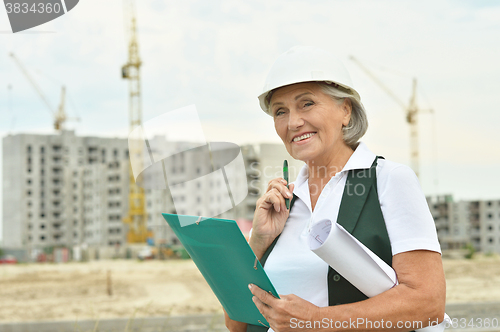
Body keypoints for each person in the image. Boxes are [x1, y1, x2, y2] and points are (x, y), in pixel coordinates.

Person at [224, 46, 446, 332]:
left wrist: (316, 321)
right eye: (280, 111)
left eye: (307, 104)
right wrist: (258, 242)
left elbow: (427, 304)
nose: (293, 122)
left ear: (345, 110)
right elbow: (235, 323)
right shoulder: (282, 204)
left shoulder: (389, 180)